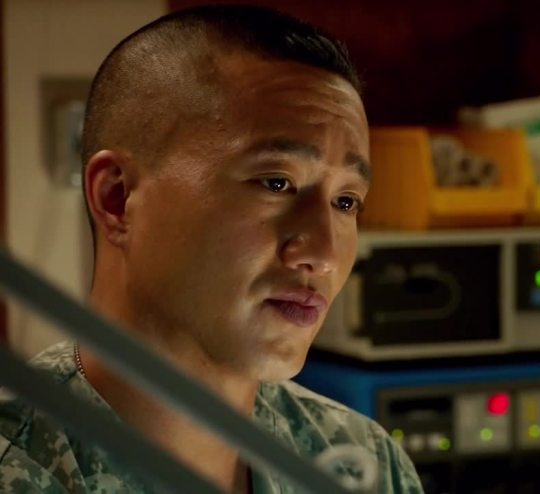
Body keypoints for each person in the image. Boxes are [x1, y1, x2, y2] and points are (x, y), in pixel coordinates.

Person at [0, 5, 423, 493]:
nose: (324, 255)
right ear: (117, 197)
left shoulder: (362, 462)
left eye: (346, 201)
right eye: (277, 182)